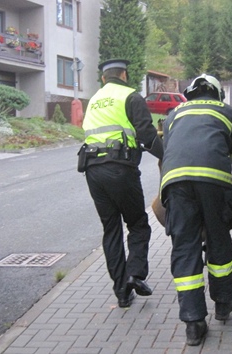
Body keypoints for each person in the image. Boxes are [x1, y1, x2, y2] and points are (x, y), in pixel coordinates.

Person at [160, 74, 232, 346]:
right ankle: (224, 303)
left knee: (184, 247)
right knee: (218, 240)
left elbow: (168, 155)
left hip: (176, 184)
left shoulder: (173, 115)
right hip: (215, 183)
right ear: (217, 93)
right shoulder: (230, 113)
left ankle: (193, 322)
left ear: (190, 93)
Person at [79, 58, 164, 308]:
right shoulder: (131, 97)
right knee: (137, 223)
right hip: (120, 170)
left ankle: (121, 293)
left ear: (104, 79)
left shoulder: (94, 100)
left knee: (111, 229)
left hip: (93, 171)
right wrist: (169, 156)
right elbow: (148, 136)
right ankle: (135, 274)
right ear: (124, 75)